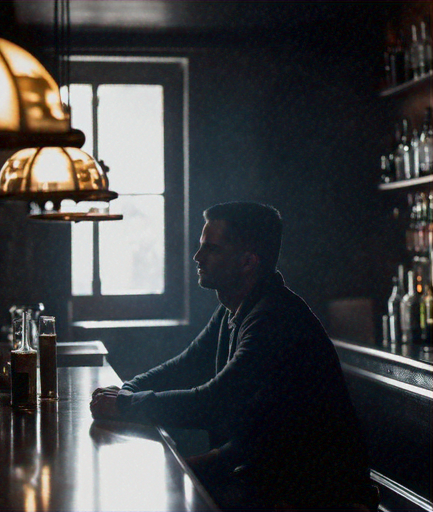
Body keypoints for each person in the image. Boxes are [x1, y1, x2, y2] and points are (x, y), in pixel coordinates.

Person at [90, 201, 379, 511]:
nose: (197, 257)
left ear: (246, 262)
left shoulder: (273, 317)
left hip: (318, 495)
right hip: (266, 473)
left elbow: (218, 401)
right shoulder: (237, 306)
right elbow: (187, 365)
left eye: (210, 249)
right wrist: (127, 390)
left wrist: (126, 404)